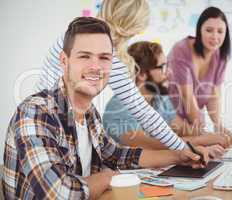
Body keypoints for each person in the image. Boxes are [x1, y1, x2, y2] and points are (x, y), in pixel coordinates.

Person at [3, 17, 209, 200]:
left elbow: (117, 155)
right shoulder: (34, 113)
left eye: (104, 58)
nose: (96, 67)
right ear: (64, 61)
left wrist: (179, 155)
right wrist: (109, 177)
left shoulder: (90, 114)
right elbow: (60, 194)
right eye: (84, 56)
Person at [37, 0, 186, 150]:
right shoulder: (105, 56)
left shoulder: (72, 36)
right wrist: (183, 149)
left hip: (46, 118)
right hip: (48, 127)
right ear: (132, 27)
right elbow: (145, 114)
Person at [103, 41, 229, 152]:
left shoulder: (160, 100)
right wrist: (201, 141)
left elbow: (184, 129)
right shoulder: (119, 106)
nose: (169, 73)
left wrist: (216, 137)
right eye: (162, 67)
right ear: (141, 74)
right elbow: (149, 145)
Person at [167, 7, 232, 145]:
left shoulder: (220, 56)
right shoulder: (181, 50)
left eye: (220, 31)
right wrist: (203, 133)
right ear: (199, 30)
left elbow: (213, 96)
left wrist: (218, 126)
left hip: (194, 122)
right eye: (209, 30)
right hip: (170, 119)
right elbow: (187, 97)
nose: (215, 37)